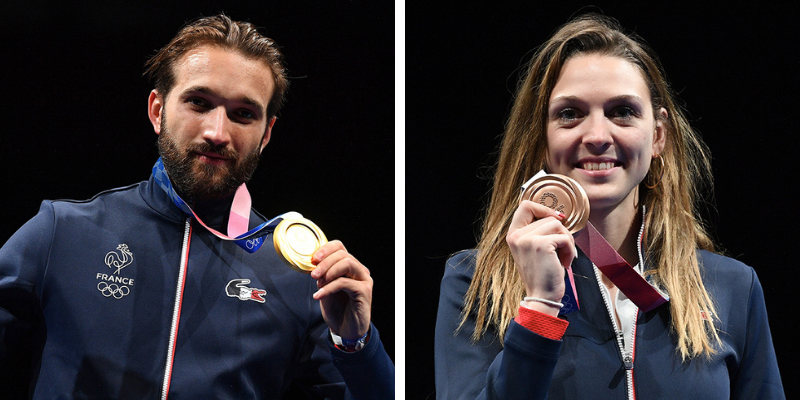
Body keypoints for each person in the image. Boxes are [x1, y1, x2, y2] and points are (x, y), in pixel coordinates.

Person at [0, 14, 394, 399]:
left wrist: (356, 343)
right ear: (157, 110)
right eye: (199, 102)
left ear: (267, 134)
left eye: (243, 114)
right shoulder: (61, 233)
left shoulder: (300, 279)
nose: (217, 133)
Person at [434, 14, 783, 399]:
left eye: (622, 112)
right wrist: (539, 306)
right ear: (542, 138)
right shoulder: (475, 283)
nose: (598, 136)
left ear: (658, 136)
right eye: (570, 113)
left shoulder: (732, 287)